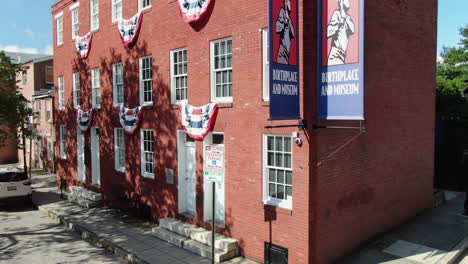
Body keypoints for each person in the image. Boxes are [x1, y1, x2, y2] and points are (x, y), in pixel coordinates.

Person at [326, 0, 355, 65]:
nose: (348, 1)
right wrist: (339, 25)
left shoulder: (348, 17)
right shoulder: (337, 14)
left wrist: (344, 16)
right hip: (336, 55)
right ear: (341, 2)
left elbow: (352, 30)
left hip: (343, 56)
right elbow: (328, 32)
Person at [275, 0, 295, 65]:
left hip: (287, 52)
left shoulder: (289, 18)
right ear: (286, 3)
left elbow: (293, 34)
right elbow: (277, 28)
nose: (290, 4)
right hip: (283, 50)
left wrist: (288, 21)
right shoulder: (282, 11)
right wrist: (284, 23)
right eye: (289, 2)